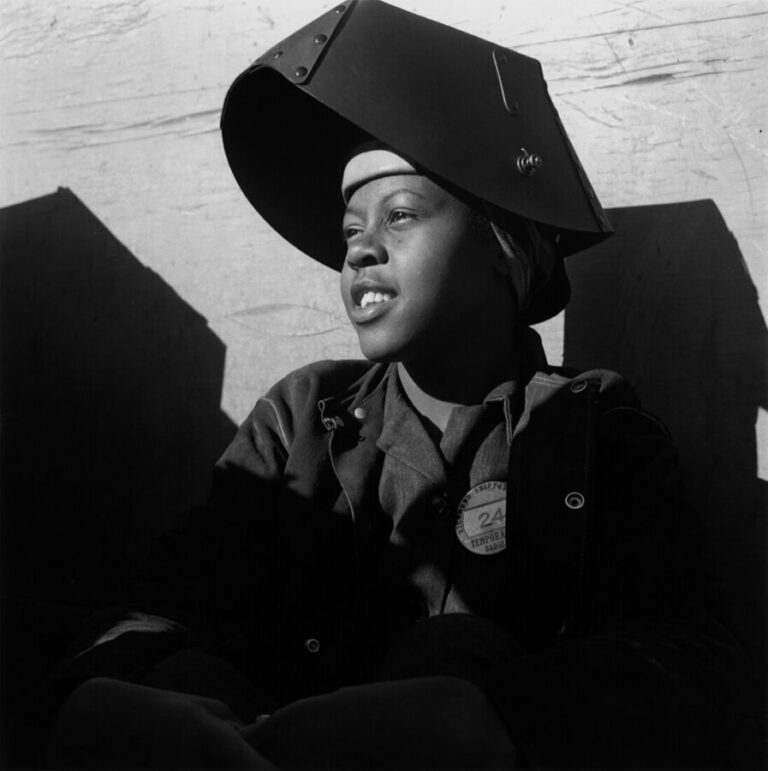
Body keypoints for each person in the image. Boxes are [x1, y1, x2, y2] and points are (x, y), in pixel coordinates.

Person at [38, 1, 745, 768]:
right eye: (350, 230)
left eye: (400, 215)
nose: (361, 251)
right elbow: (169, 599)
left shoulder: (593, 427)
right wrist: (127, 682)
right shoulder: (299, 419)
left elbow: (690, 666)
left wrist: (493, 719)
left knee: (454, 651)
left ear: (504, 249)